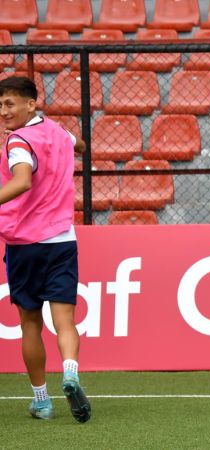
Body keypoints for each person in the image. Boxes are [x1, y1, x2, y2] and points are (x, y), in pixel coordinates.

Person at [0, 76, 90, 422]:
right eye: (0, 105)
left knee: (30, 324)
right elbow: (79, 144)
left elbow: (22, 181)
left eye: (10, 104)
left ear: (31, 105)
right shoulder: (56, 132)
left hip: (25, 243)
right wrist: (69, 146)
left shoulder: (19, 143)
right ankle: (71, 373)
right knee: (65, 319)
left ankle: (42, 401)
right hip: (63, 240)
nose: (4, 111)